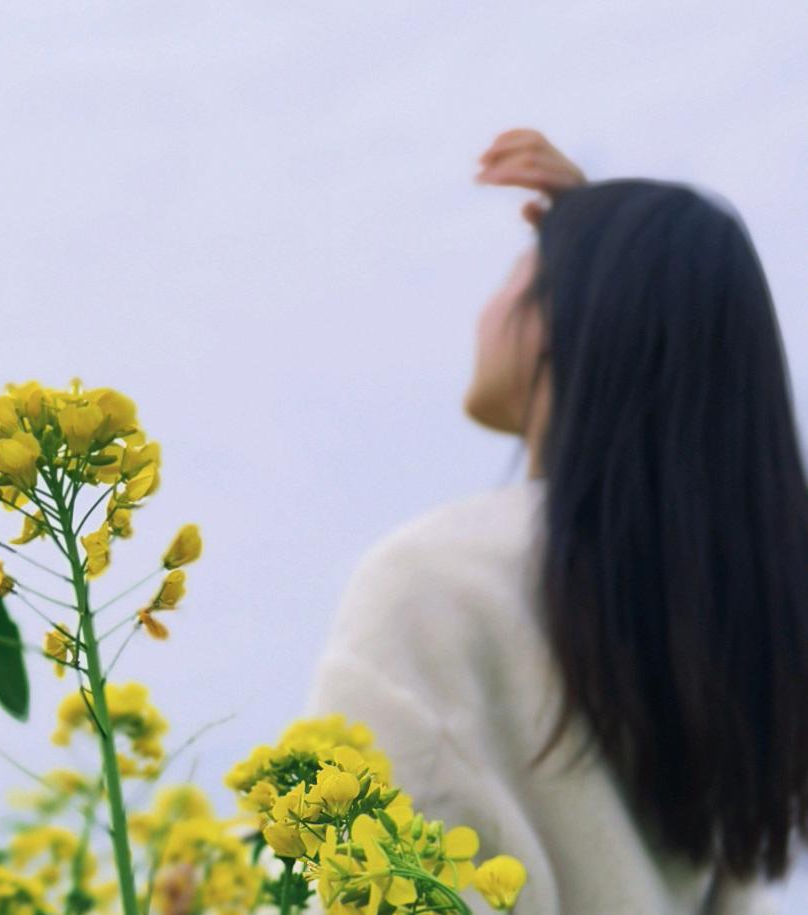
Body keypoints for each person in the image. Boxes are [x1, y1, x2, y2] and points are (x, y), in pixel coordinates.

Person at [304, 128, 808, 914]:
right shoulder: (722, 624)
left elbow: (362, 889)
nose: (486, 307)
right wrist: (613, 239)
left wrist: (605, 240)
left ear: (557, 320)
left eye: (518, 274)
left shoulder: (432, 581)